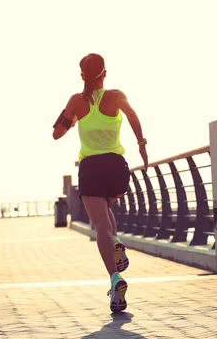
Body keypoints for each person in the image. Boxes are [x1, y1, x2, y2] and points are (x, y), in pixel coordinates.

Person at [52, 53, 148, 312]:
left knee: (101, 226)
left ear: (82, 75)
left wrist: (73, 119)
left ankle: (115, 279)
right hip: (116, 167)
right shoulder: (116, 96)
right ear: (105, 73)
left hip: (91, 168)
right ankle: (116, 243)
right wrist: (142, 145)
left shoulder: (75, 101)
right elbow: (133, 116)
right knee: (107, 210)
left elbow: (56, 133)